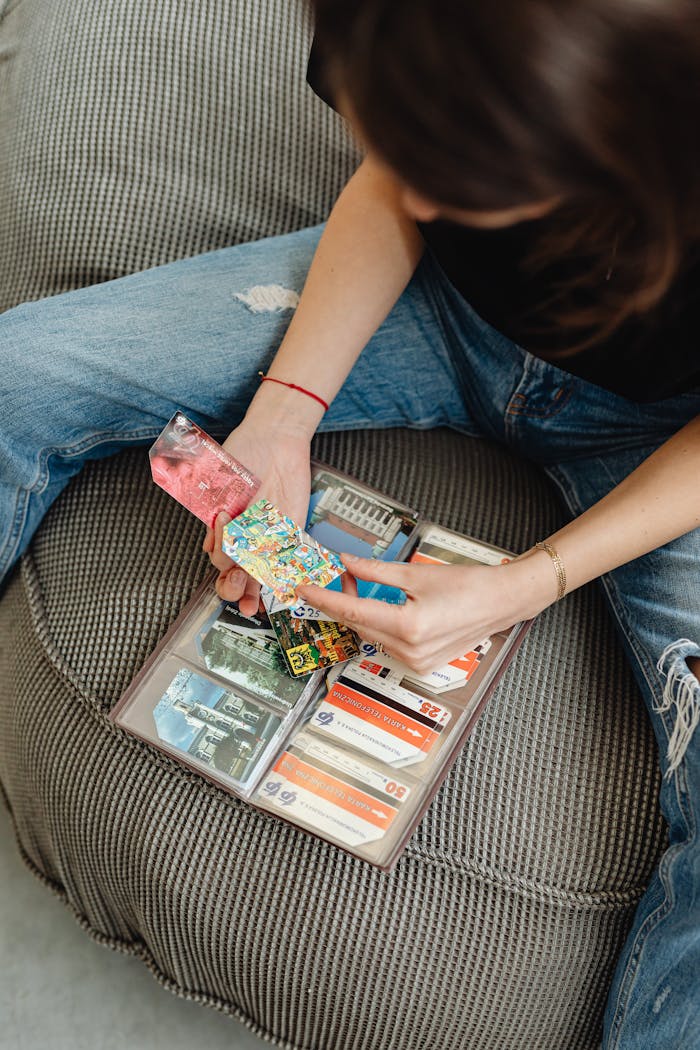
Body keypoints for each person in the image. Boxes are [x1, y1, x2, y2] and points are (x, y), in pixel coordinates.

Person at [0, 0, 698, 1043]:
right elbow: (388, 192)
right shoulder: (406, 22)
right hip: (438, 315)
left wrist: (530, 580)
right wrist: (285, 412)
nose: (420, 187)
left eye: (462, 170)